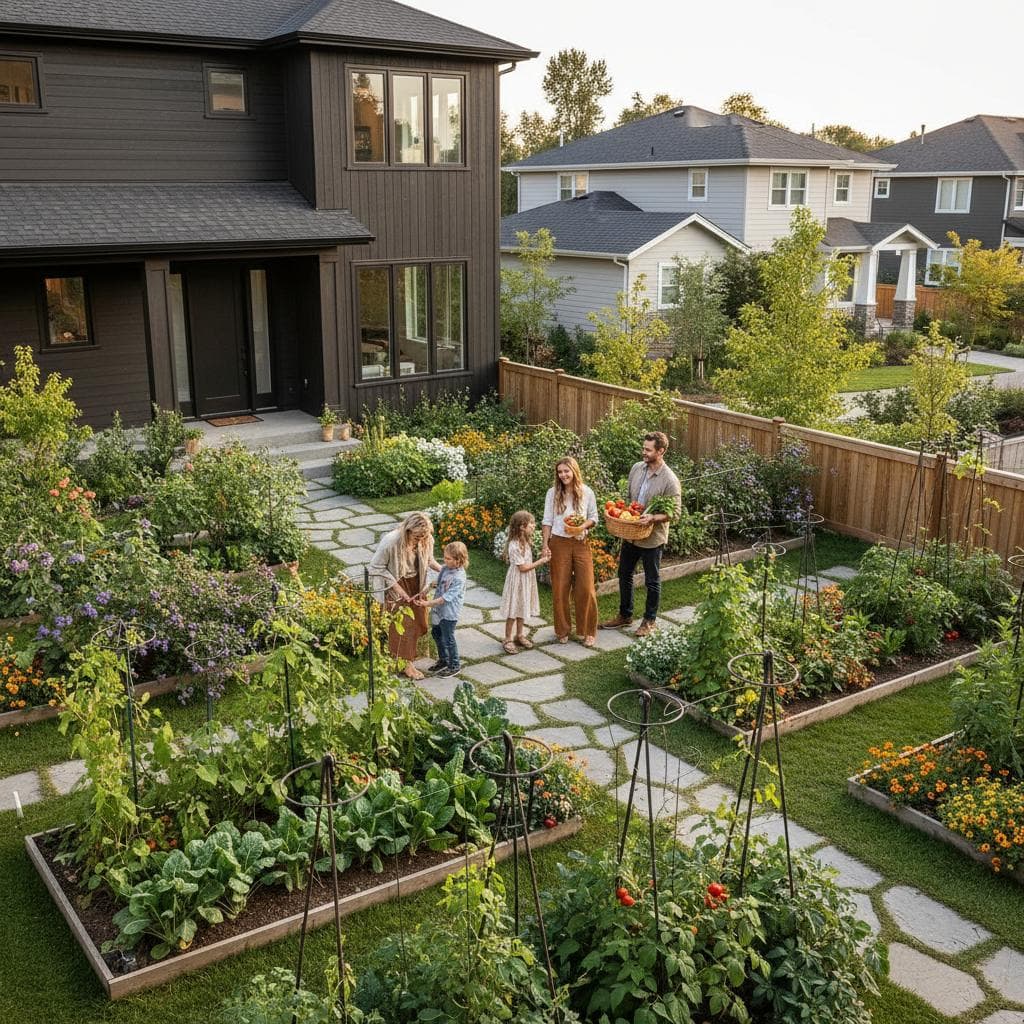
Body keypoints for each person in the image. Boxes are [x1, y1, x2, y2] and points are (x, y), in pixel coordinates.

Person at [600, 431, 682, 637]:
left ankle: (649, 621)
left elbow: (676, 513)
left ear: (661, 451)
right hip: (631, 533)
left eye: (648, 449)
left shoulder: (669, 480)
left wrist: (653, 518)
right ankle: (625, 614)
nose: (643, 452)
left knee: (651, 580)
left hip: (652, 538)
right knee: (625, 574)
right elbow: (629, 498)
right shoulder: (637, 469)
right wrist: (623, 513)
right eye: (643, 448)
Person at [368, 511, 440, 680]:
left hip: (417, 582)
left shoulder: (426, 538)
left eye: (424, 536)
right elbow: (375, 567)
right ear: (408, 531)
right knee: (404, 624)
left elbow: (429, 560)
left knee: (420, 622)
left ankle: (405, 658)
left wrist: (446, 571)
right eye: (417, 537)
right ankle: (406, 665)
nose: (420, 540)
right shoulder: (391, 542)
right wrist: (399, 591)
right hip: (396, 582)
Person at [541, 456, 599, 646]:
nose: (563, 475)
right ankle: (562, 629)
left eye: (566, 471)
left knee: (586, 587)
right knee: (560, 587)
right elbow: (547, 520)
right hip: (558, 543)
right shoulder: (552, 493)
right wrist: (545, 545)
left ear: (574, 471)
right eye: (560, 472)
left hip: (581, 542)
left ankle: (588, 631)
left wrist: (582, 526)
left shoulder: (587, 492)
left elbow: (593, 517)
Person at [499, 510, 549, 654]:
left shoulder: (525, 541)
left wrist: (542, 555)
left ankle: (519, 635)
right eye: (531, 523)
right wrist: (541, 561)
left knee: (522, 606)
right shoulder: (514, 545)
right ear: (522, 526)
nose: (534, 526)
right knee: (513, 609)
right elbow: (522, 568)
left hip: (526, 580)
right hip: (517, 581)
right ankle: (508, 638)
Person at [420, 541, 469, 677]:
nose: (445, 560)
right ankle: (443, 660)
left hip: (449, 613)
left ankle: (454, 665)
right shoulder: (445, 568)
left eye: (448, 558)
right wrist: (426, 589)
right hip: (439, 611)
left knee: (449, 639)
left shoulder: (459, 578)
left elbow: (445, 598)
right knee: (436, 634)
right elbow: (436, 582)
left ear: (458, 560)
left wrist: (426, 604)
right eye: (445, 557)